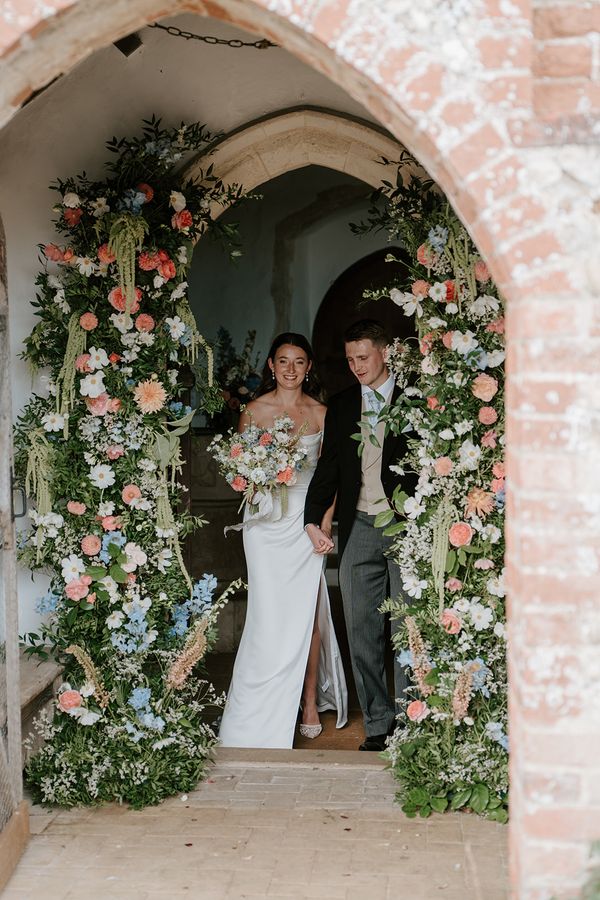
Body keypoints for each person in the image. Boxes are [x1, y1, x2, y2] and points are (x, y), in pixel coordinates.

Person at [218, 333, 348, 749]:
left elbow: (331, 478)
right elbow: (240, 474)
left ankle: (308, 702)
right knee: (268, 613)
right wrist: (260, 474)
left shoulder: (323, 413)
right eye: (283, 361)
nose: (291, 369)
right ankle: (260, 706)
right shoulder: (253, 411)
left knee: (308, 612)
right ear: (271, 366)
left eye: (299, 362)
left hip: (306, 521)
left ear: (308, 368)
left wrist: (323, 525)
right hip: (265, 522)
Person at [304, 319, 415, 751]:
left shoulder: (417, 398)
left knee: (408, 628)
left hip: (407, 528)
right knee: (361, 628)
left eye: (363, 357)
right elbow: (329, 466)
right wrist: (313, 519)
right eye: (350, 359)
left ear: (385, 352)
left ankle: (412, 721)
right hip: (360, 525)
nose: (356, 366)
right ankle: (378, 724)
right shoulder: (343, 404)